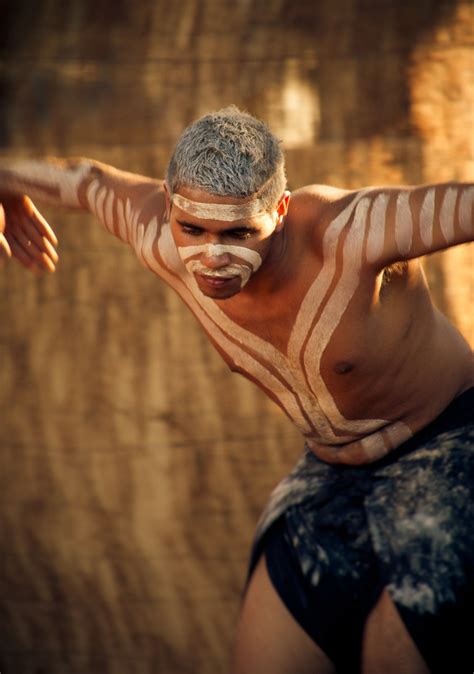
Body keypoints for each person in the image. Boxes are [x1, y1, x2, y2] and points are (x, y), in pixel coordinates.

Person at [1, 106, 473, 674]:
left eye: (238, 233)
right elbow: (85, 180)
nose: (213, 256)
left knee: (394, 654)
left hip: (448, 449)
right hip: (331, 472)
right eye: (193, 229)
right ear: (172, 209)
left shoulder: (353, 231)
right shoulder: (160, 238)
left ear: (279, 209)